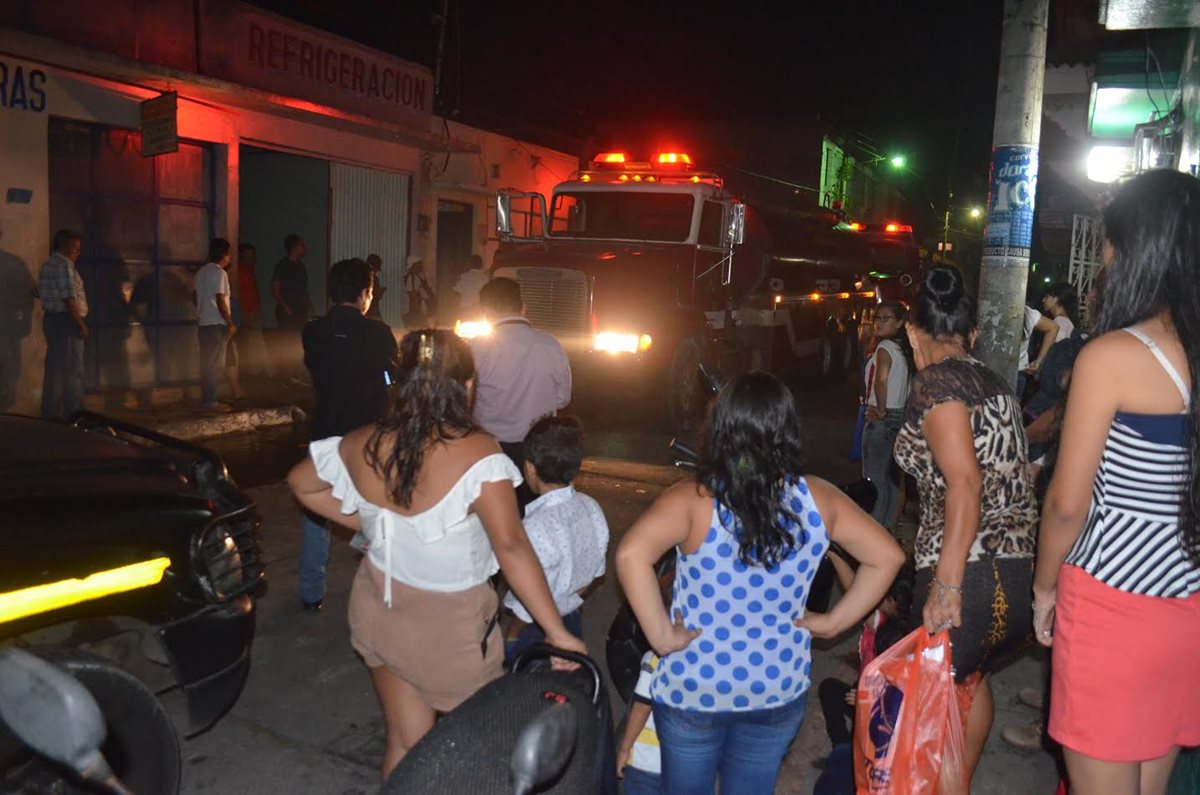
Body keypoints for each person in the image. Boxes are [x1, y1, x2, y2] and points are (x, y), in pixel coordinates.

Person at [287, 329, 586, 781]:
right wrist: (556, 631)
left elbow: (301, 483)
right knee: (481, 757)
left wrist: (377, 525)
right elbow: (510, 546)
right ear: (467, 386)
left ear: (400, 382)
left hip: (378, 609)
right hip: (449, 631)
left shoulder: (363, 441)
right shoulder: (479, 453)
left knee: (406, 743)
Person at [616, 371, 904, 795]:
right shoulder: (819, 498)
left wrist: (662, 637)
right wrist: (834, 622)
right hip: (774, 688)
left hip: (696, 687)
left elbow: (630, 555)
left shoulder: (693, 500)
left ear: (720, 427)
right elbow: (888, 556)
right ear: (787, 429)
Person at [1034, 169, 1200, 795]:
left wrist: (1044, 591)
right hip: (1187, 606)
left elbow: (1067, 505)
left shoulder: (1114, 357)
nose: (1103, 254)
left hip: (1114, 604)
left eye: (1109, 240)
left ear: (1139, 247)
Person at [891, 264, 1038, 784]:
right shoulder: (995, 383)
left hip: (965, 580)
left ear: (912, 332)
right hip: (1013, 577)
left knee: (933, 715)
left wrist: (946, 585)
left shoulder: (936, 385)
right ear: (971, 333)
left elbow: (965, 484)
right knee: (970, 682)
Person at [296, 258, 399, 612]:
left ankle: (311, 592)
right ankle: (381, 585)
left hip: (325, 431)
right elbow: (391, 377)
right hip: (367, 438)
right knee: (376, 508)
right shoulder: (379, 333)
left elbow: (314, 367)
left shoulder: (312, 331)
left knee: (315, 510)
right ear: (365, 293)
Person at [502, 415, 608, 664]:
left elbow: (528, 603)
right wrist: (568, 600)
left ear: (529, 468)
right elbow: (596, 574)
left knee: (531, 693)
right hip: (572, 617)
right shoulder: (591, 507)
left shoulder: (533, 527)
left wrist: (512, 633)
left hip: (537, 629)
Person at [470, 277, 571, 512]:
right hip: (539, 449)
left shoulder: (478, 348)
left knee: (496, 518)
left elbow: (465, 399)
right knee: (536, 517)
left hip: (492, 449)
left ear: (485, 311)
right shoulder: (551, 344)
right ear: (522, 306)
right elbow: (563, 398)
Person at [861, 301, 910, 530]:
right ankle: (887, 529)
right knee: (891, 481)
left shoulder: (885, 348)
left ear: (899, 323)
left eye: (885, 318)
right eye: (877, 317)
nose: (878, 322)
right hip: (899, 417)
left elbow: (881, 379)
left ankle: (872, 531)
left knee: (873, 480)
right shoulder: (904, 350)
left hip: (882, 419)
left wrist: (880, 410)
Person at [38, 229, 88, 419]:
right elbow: (68, 298)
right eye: (75, 248)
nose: (78, 252)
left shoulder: (47, 265)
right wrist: (80, 323)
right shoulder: (63, 265)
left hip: (52, 320)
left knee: (55, 370)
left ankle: (50, 414)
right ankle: (75, 416)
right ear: (63, 245)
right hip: (66, 321)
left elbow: (40, 291)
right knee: (73, 371)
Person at [194, 238, 236, 410]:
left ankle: (208, 399)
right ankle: (212, 402)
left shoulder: (201, 273)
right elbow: (220, 299)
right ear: (224, 255)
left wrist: (203, 310)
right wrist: (230, 322)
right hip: (216, 324)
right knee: (216, 365)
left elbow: (194, 296)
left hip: (204, 324)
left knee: (206, 363)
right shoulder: (220, 273)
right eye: (229, 253)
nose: (231, 257)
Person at [615, 651, 664, 795]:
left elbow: (643, 706)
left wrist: (624, 750)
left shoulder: (654, 659)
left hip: (647, 760)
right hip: (687, 762)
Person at [272, 234, 313, 378]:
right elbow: (275, 288)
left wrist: (309, 306)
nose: (304, 248)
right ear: (295, 247)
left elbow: (304, 288)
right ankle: (286, 374)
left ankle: (296, 373)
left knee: (299, 341)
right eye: (302, 245)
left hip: (301, 310)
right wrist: (285, 307)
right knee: (287, 341)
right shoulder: (283, 266)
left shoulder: (301, 267)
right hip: (288, 312)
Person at [235, 243, 273, 378]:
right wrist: (243, 312)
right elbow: (239, 292)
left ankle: (258, 369)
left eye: (253, 255)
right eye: (249, 255)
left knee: (256, 339)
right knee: (255, 339)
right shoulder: (240, 271)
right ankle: (259, 370)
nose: (253, 258)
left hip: (255, 309)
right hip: (248, 311)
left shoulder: (249, 271)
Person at [1028, 282, 1079, 376]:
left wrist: (1037, 364)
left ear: (1055, 299)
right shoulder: (1064, 320)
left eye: (1047, 297)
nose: (1043, 300)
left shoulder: (1059, 322)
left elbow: (1052, 354)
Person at [402, 255, 437, 327]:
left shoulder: (418, 276)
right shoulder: (411, 277)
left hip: (423, 309)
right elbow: (412, 295)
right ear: (413, 265)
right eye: (419, 264)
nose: (421, 266)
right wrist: (418, 311)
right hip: (419, 309)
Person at [365, 254, 387, 321]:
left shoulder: (359, 277)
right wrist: (381, 291)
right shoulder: (373, 279)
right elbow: (377, 295)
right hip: (372, 310)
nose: (376, 272)